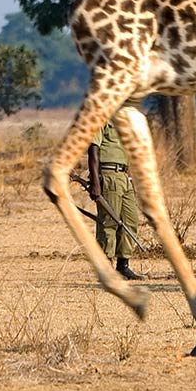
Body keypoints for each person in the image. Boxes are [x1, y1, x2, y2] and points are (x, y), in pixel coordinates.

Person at [87, 120, 143, 281]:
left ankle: (123, 265)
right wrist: (96, 182)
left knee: (130, 220)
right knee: (109, 222)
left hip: (124, 176)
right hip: (108, 175)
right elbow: (93, 149)